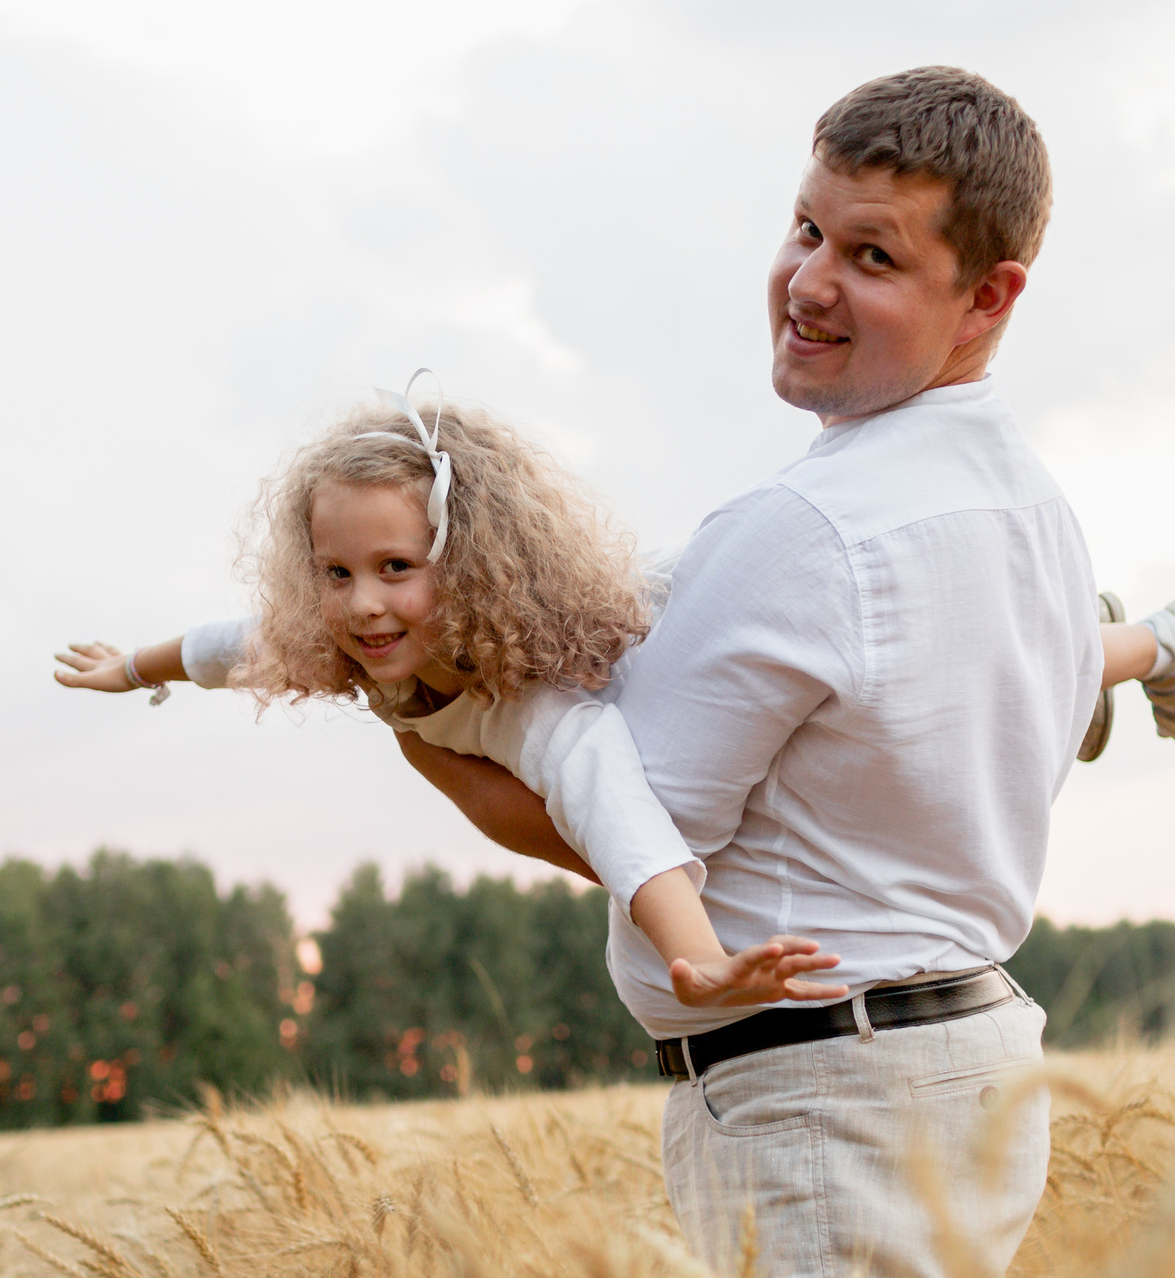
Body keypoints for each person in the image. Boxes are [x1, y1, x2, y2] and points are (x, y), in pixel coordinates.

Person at [380, 66, 1175, 1278]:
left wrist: (408, 711)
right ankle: (1134, 661)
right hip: (963, 1063)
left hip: (832, 1091)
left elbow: (624, 829)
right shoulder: (1032, 504)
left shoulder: (798, 533)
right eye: (806, 228)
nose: (809, 282)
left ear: (991, 295)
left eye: (873, 255)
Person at [56, 381, 851, 1011]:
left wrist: (699, 962)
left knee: (737, 546)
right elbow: (233, 644)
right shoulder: (361, 648)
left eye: (396, 567)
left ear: (468, 564)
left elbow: (618, 816)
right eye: (337, 573)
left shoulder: (529, 707)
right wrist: (131, 669)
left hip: (676, 606)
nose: (363, 602)